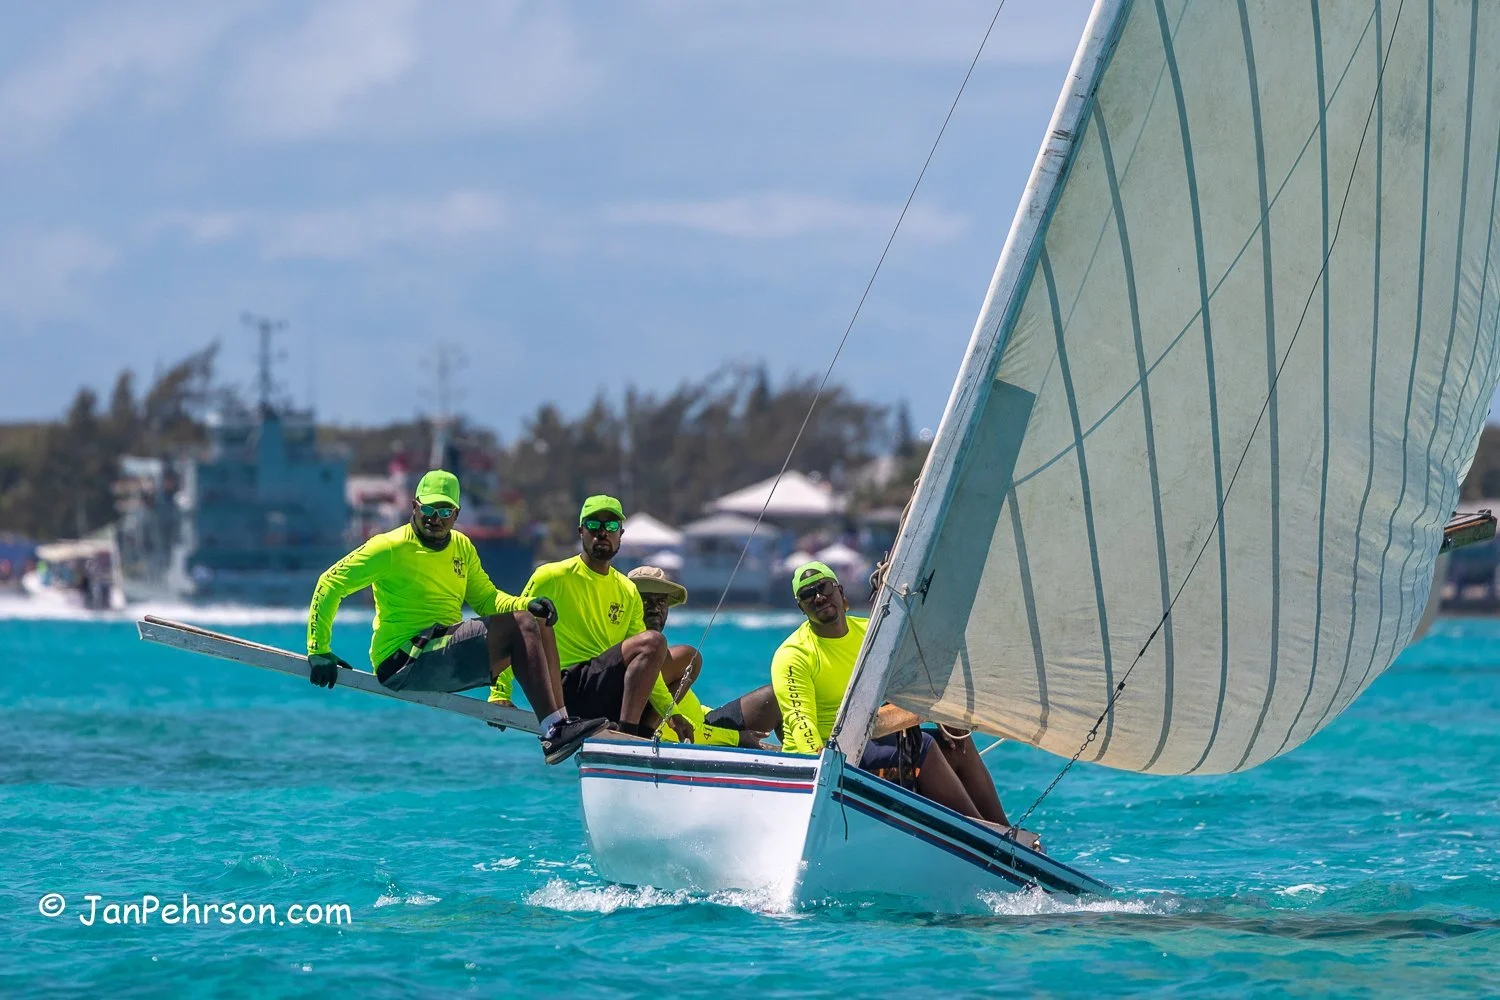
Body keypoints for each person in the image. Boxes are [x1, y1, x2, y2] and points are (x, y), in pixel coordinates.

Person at [305, 469, 608, 765]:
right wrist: (318, 649)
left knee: (536, 620)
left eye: (444, 510)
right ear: (414, 507)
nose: (435, 518)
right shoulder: (389, 547)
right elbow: (330, 582)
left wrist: (527, 603)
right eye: (428, 508)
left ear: (456, 514)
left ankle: (562, 722)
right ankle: (554, 732)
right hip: (402, 661)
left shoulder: (462, 547)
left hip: (443, 651)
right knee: (523, 624)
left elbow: (488, 600)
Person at [770, 561, 1014, 827]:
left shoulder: (871, 635)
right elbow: (799, 720)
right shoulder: (794, 654)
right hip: (828, 758)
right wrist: (820, 770)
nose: (818, 597)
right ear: (801, 607)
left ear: (839, 590)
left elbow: (915, 681)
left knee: (958, 745)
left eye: (823, 587)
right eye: (807, 595)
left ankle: (1006, 834)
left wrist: (946, 718)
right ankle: (984, 839)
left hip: (867, 745)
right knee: (923, 747)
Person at [489, 496, 695, 739]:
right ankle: (625, 738)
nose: (602, 533)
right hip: (566, 689)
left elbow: (648, 662)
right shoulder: (551, 576)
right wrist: (499, 694)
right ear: (581, 532)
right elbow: (517, 634)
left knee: (685, 656)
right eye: (594, 525)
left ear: (620, 533)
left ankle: (638, 736)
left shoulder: (627, 590)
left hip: (604, 690)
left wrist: (672, 714)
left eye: (610, 527)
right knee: (653, 641)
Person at [626, 565, 781, 747]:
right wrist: (737, 739)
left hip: (705, 725)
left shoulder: (667, 659)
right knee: (688, 656)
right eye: (646, 602)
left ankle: (803, 759)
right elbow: (673, 728)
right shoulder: (632, 658)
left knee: (775, 697)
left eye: (661, 602)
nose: (655, 609)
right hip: (687, 737)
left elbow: (689, 712)